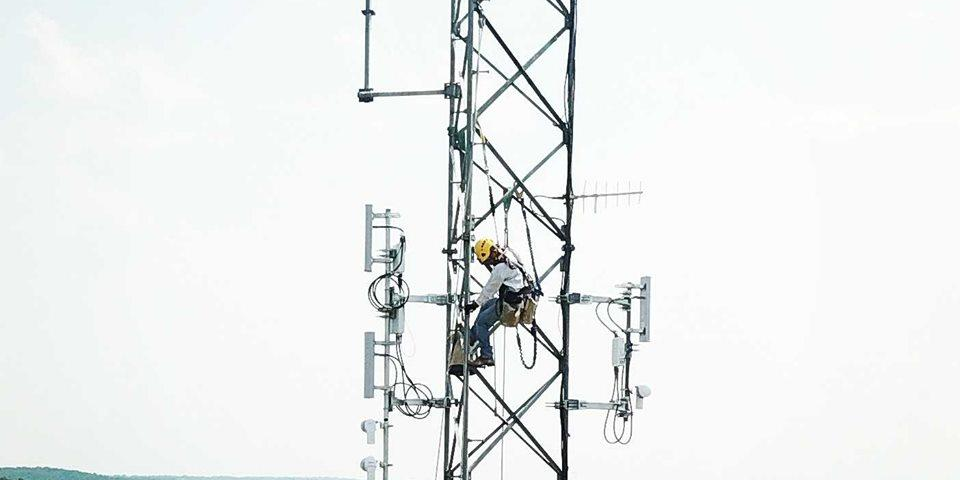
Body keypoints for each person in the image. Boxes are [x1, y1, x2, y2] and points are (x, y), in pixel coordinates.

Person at [465, 238, 528, 367]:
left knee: (482, 322)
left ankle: (486, 356)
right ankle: (472, 336)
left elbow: (490, 289)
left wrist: (475, 304)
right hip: (514, 300)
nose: (490, 263)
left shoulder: (500, 268)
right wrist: (480, 304)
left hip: (510, 305)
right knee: (487, 306)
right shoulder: (510, 257)